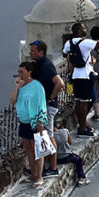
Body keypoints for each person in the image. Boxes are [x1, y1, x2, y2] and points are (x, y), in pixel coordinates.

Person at [28, 39, 63, 179]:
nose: (30, 53)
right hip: (45, 106)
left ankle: (53, 168)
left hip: (48, 106)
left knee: (49, 135)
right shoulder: (40, 65)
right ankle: (48, 164)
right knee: (46, 134)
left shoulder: (46, 66)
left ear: (41, 52)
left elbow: (59, 83)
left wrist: (50, 99)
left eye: (33, 51)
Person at [10, 60, 47, 189]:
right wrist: (17, 87)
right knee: (28, 150)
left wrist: (41, 122)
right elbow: (12, 100)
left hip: (34, 122)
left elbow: (41, 105)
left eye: (22, 72)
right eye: (18, 72)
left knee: (37, 150)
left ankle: (39, 176)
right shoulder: (21, 87)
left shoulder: (37, 86)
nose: (19, 74)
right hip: (24, 122)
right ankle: (33, 173)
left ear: (29, 72)